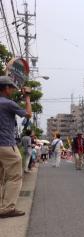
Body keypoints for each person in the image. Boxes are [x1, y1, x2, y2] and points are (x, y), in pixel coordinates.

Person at [0, 77, 32, 218]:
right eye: (11, 87)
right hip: (6, 145)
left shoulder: (7, 103)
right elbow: (28, 114)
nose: (13, 90)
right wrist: (27, 98)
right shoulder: (8, 103)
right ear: (6, 88)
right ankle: (7, 208)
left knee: (1, 177)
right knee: (14, 177)